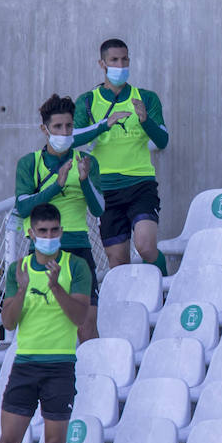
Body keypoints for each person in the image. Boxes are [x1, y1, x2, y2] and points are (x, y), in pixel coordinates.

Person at [0, 203, 91, 443]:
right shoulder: (18, 270)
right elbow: (8, 322)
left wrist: (55, 287)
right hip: (25, 365)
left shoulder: (76, 266)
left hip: (60, 366)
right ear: (31, 233)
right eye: (43, 231)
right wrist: (21, 290)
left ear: (61, 231)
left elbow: (80, 317)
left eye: (53, 231)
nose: (49, 237)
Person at [13, 94, 106, 342]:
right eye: (57, 127)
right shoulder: (29, 163)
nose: (64, 132)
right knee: (45, 324)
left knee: (87, 324)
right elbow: (23, 207)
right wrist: (57, 185)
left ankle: (93, 376)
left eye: (68, 126)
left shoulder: (87, 161)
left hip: (79, 250)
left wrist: (85, 181)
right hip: (42, 251)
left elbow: (98, 209)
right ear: (45, 129)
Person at [73, 38, 169, 272]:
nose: (120, 64)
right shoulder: (87, 101)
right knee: (117, 262)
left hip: (140, 183)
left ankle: (166, 293)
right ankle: (129, 306)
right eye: (114, 60)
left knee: (145, 246)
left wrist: (146, 121)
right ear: (102, 63)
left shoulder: (145, 97)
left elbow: (163, 141)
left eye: (124, 59)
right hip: (105, 190)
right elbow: (73, 139)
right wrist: (104, 125)